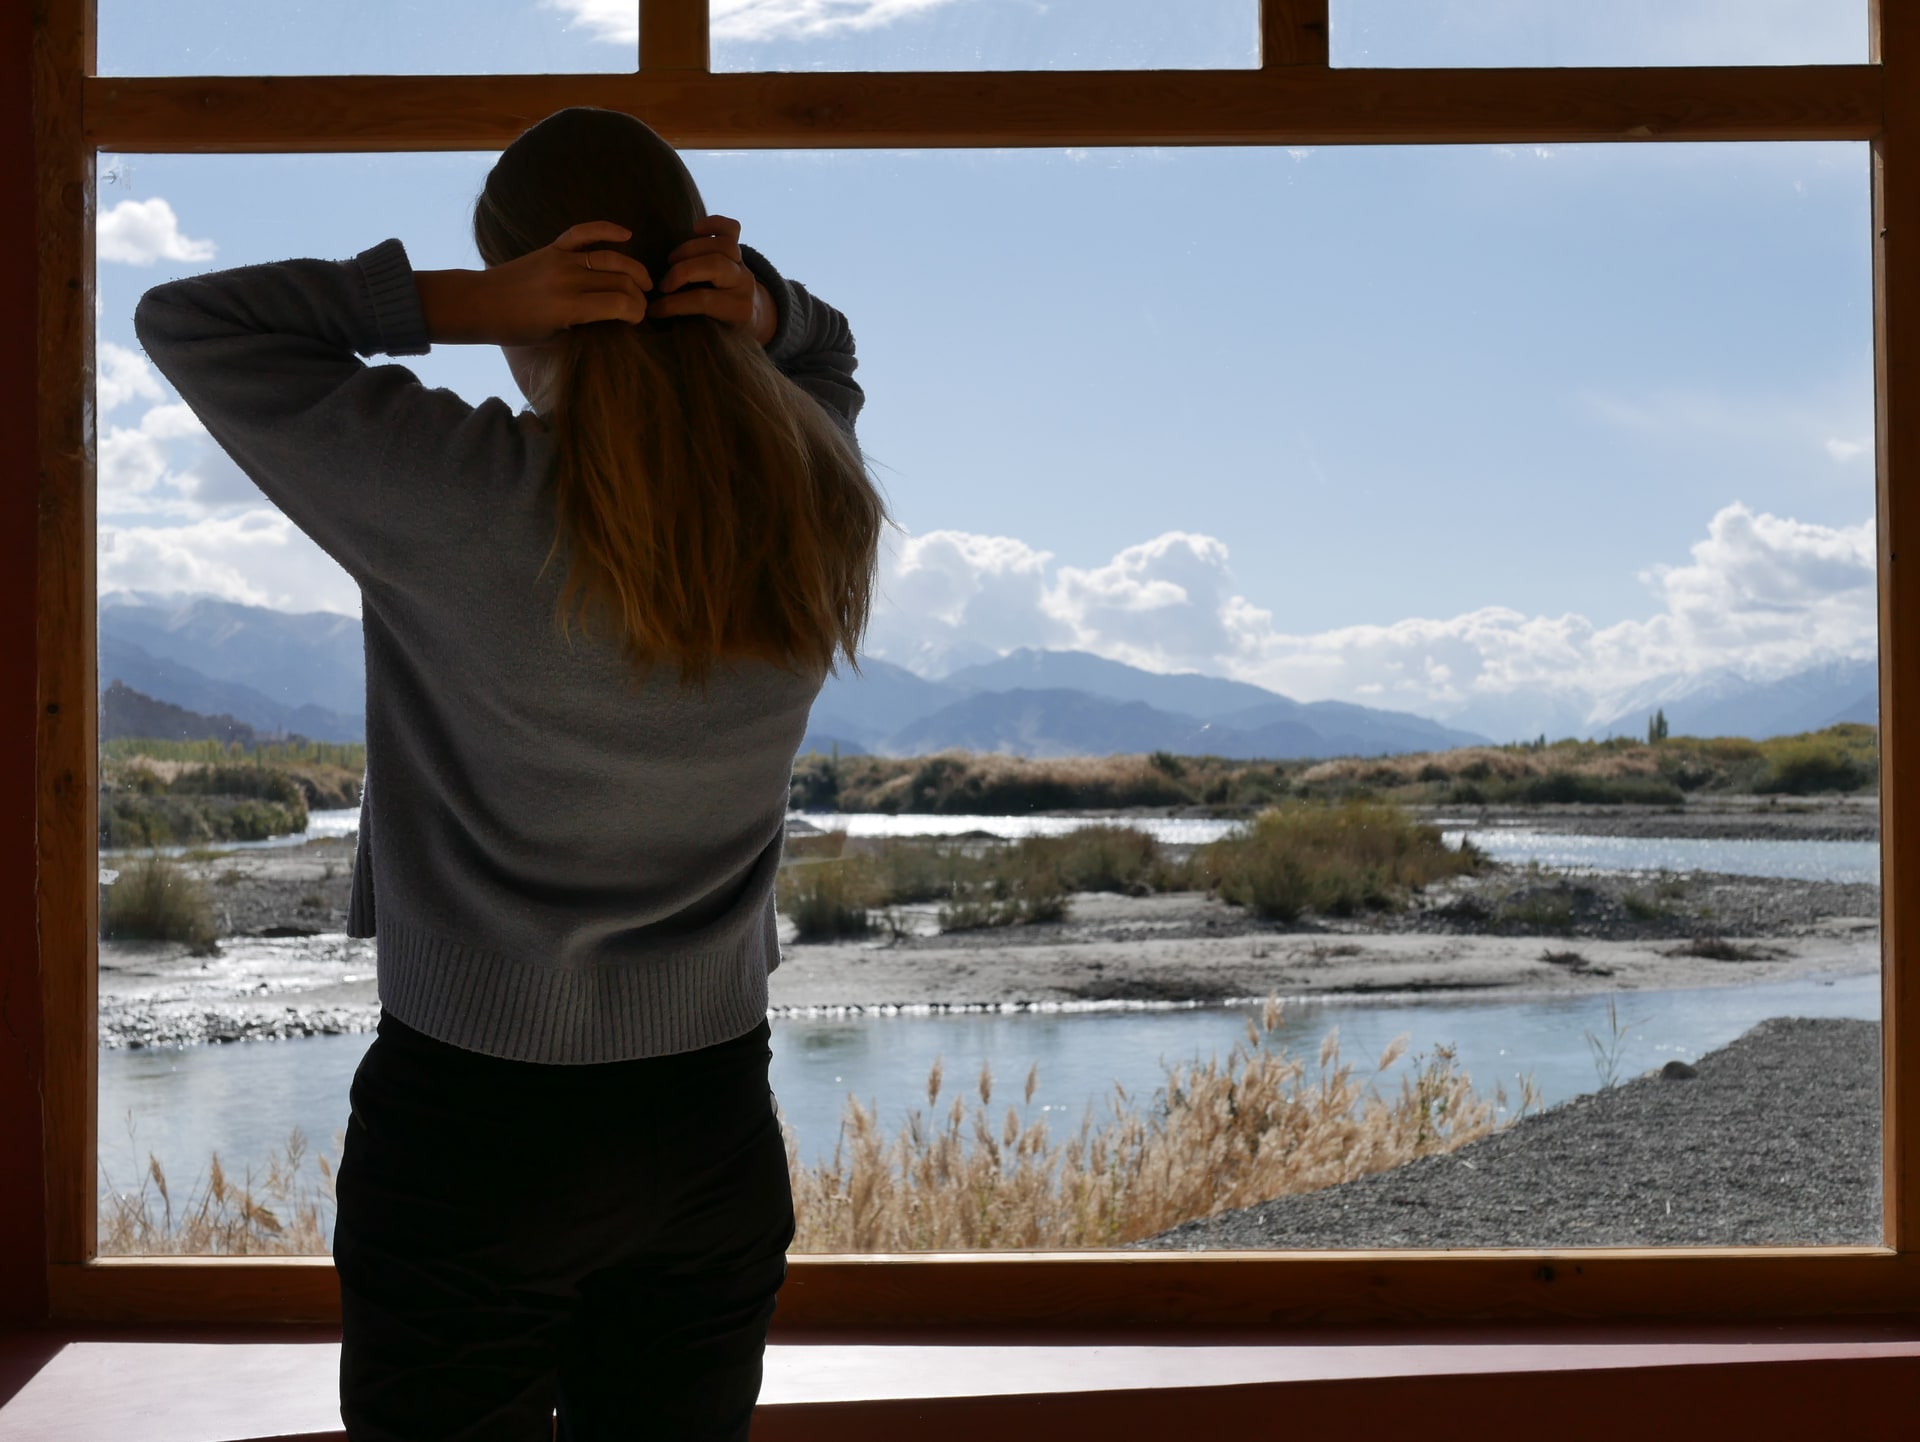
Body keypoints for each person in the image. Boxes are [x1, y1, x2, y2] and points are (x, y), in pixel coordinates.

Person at [135, 106, 885, 1441]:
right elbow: (830, 356)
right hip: (711, 1122)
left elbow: (193, 321)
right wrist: (762, 312)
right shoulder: (807, 491)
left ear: (535, 289)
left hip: (476, 1126)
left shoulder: (460, 486)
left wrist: (461, 301)